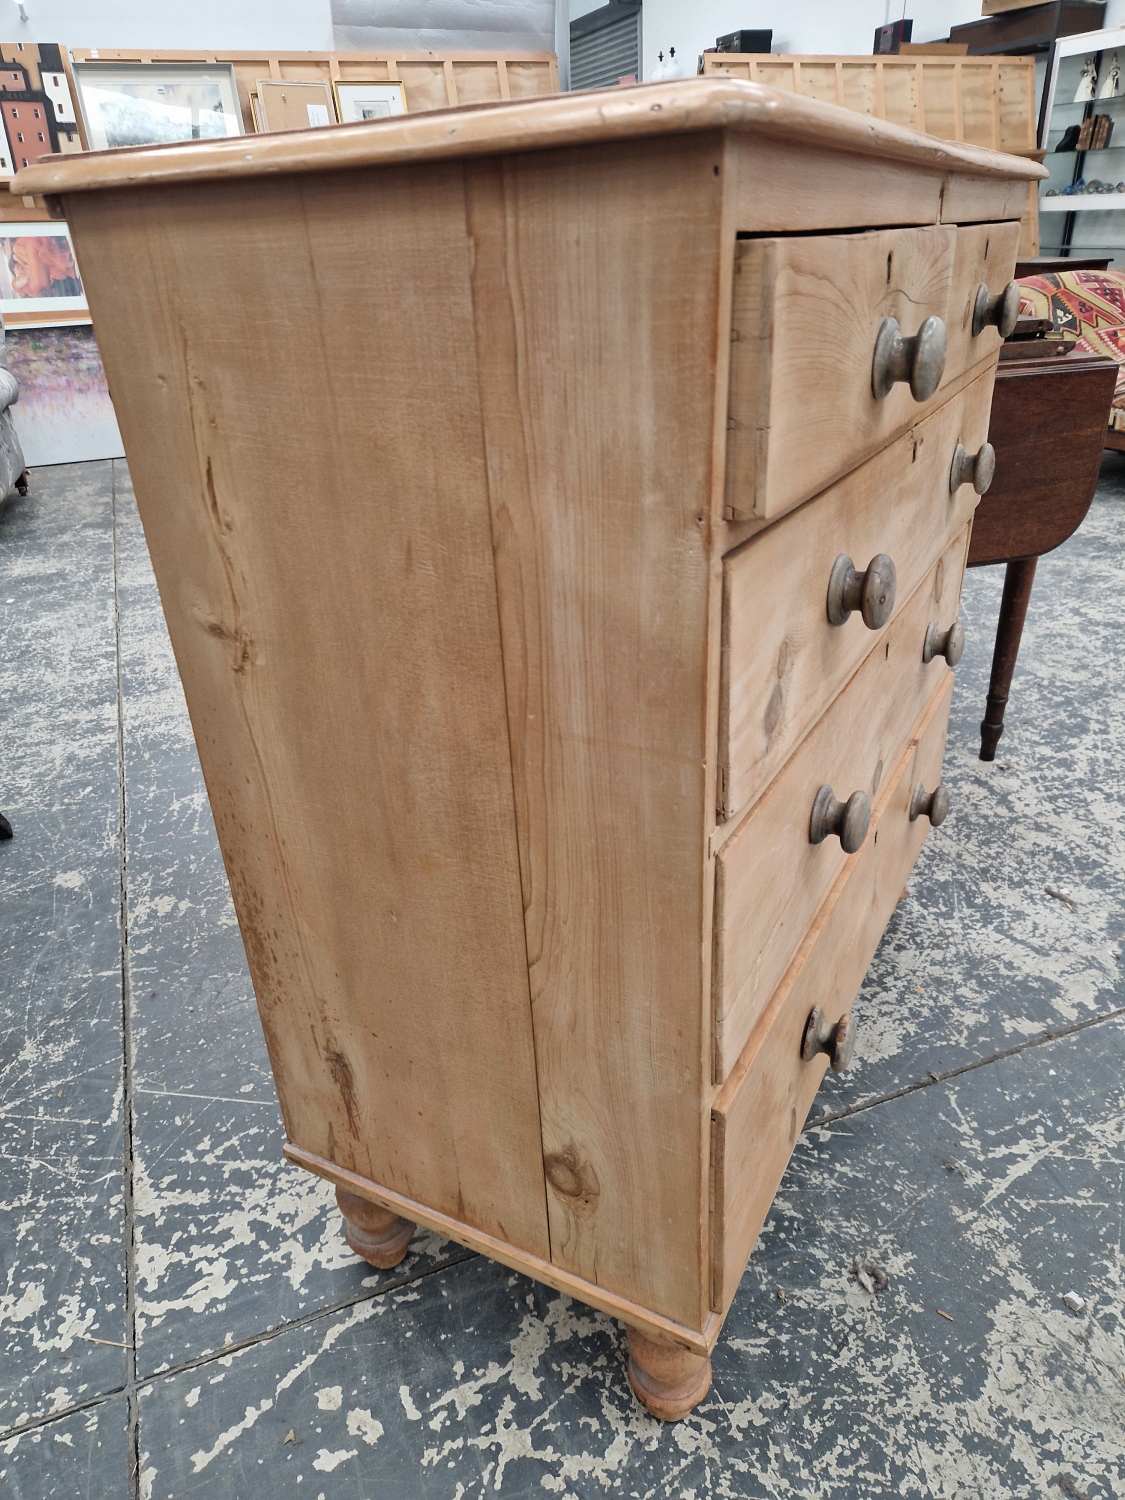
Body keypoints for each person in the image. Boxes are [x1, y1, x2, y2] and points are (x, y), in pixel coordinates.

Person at [6, 234, 82, 298]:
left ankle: (63, 259)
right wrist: (28, 268)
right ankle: (63, 260)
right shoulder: (15, 283)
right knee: (29, 248)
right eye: (18, 268)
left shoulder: (24, 266)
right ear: (13, 269)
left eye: (20, 266)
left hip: (41, 267)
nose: (21, 269)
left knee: (38, 253)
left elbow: (27, 262)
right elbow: (25, 280)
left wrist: (23, 263)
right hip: (39, 283)